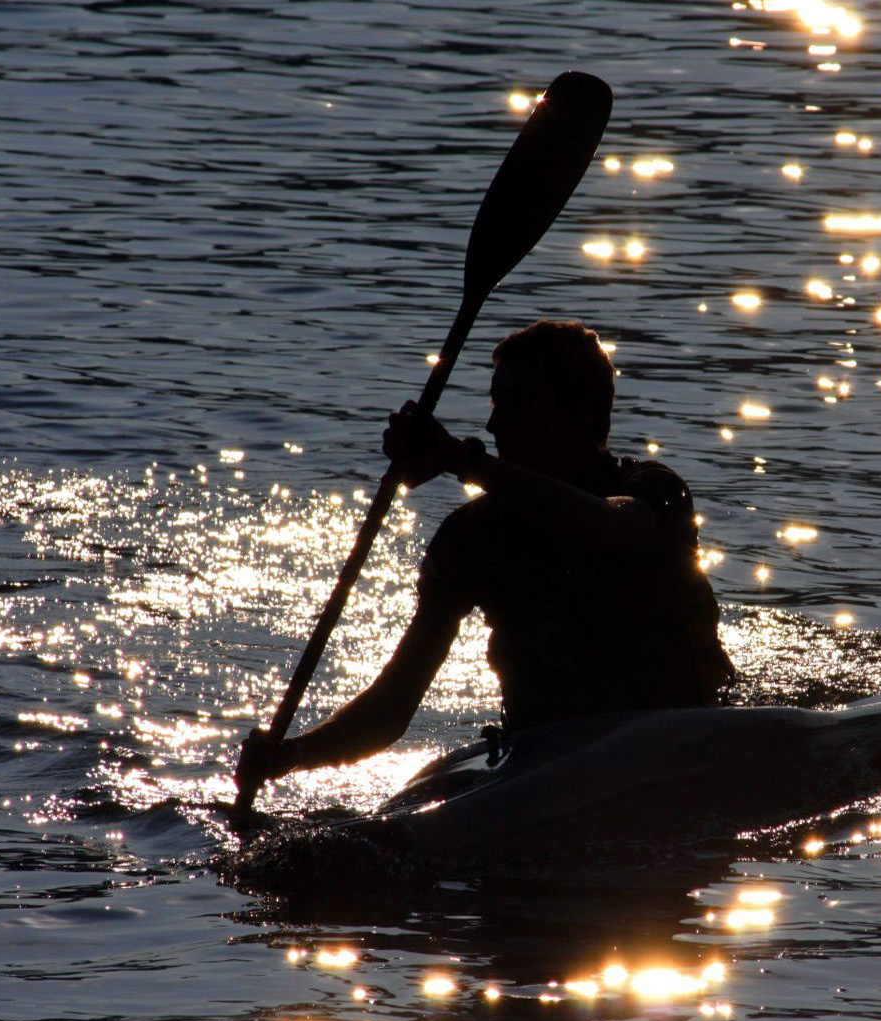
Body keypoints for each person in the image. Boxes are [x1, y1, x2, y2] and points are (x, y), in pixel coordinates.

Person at [234, 320, 734, 796]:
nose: (493, 423)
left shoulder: (654, 491)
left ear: (578, 414)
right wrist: (291, 756)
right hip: (543, 751)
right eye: (495, 402)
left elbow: (607, 526)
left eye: (516, 403)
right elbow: (393, 705)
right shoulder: (471, 537)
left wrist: (459, 459)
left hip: (672, 734)